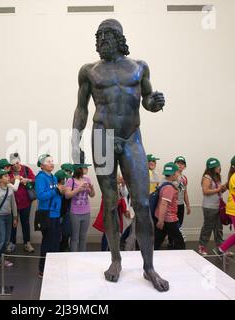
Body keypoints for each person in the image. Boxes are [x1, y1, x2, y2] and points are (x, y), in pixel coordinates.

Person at [72, 19, 168, 291]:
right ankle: (116, 259)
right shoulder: (89, 71)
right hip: (102, 136)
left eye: (106, 35)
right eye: (98, 35)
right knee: (111, 201)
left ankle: (149, 267)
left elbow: (147, 100)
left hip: (131, 138)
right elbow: (81, 109)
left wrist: (155, 103)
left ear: (119, 38)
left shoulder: (139, 67)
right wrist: (75, 140)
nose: (101, 39)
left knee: (142, 203)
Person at [35, 154, 64, 278]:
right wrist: (56, 190)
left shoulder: (53, 177)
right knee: (48, 242)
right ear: (42, 165)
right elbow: (41, 195)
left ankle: (53, 266)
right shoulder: (40, 178)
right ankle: (43, 269)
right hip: (47, 214)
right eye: (48, 162)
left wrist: (61, 191)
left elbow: (57, 194)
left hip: (56, 213)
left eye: (52, 161)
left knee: (55, 241)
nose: (52, 163)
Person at [198, 158, 228, 256]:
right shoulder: (207, 177)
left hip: (218, 206)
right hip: (209, 207)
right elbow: (205, 191)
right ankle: (202, 247)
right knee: (208, 227)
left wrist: (223, 188)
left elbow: (218, 191)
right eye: (216, 167)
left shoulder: (217, 177)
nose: (219, 168)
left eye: (218, 166)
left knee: (218, 228)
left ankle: (220, 248)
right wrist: (218, 189)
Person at [8, 153, 36, 253]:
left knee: (25, 223)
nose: (15, 165)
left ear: (19, 161)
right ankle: (12, 243)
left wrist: (26, 180)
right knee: (13, 224)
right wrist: (13, 180)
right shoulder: (9, 171)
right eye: (12, 164)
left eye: (16, 163)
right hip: (12, 203)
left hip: (25, 202)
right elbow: (4, 182)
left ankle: (27, 243)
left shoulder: (26, 169)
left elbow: (34, 180)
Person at [154, 163, 185, 250]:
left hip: (163, 217)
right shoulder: (169, 188)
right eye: (177, 172)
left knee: (157, 240)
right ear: (174, 174)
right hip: (169, 219)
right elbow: (164, 204)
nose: (178, 174)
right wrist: (160, 221)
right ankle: (182, 259)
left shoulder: (163, 184)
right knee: (179, 241)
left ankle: (153, 257)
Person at [65, 164, 96, 252]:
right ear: (79, 169)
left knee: (83, 237)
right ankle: (73, 258)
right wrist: (79, 189)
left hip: (86, 212)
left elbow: (92, 195)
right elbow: (67, 195)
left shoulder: (87, 179)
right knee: (74, 237)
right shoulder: (71, 181)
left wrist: (92, 189)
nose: (87, 169)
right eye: (85, 167)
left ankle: (82, 257)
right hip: (75, 213)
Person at [171, 156, 191, 247]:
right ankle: (172, 242)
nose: (180, 165)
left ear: (185, 166)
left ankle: (175, 242)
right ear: (174, 164)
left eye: (182, 164)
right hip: (172, 205)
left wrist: (188, 205)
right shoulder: (171, 176)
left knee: (179, 224)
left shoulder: (184, 178)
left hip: (180, 205)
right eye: (178, 163)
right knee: (173, 225)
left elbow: (185, 193)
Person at [55, 170, 72, 252]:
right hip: (59, 215)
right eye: (64, 178)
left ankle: (62, 248)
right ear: (62, 179)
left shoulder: (61, 188)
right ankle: (60, 250)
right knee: (60, 234)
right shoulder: (57, 189)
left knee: (65, 233)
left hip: (63, 214)